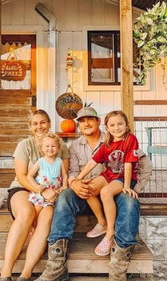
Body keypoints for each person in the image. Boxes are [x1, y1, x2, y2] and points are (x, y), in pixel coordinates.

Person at [36, 107, 151, 281]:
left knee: (130, 201)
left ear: (98, 122)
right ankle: (56, 265)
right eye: (82, 121)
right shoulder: (74, 146)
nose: (86, 123)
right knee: (65, 197)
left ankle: (118, 268)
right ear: (78, 126)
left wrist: (134, 188)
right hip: (88, 192)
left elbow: (143, 163)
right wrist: (75, 184)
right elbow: (73, 172)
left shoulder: (115, 138)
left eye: (90, 119)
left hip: (114, 190)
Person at [0, 110, 70, 281]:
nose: (40, 126)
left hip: (50, 195)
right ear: (30, 127)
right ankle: (6, 272)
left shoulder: (61, 147)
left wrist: (52, 193)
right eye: (35, 123)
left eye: (43, 122)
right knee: (26, 213)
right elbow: (22, 176)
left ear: (49, 123)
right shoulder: (25, 145)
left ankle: (26, 273)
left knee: (46, 217)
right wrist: (40, 190)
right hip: (23, 189)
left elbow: (64, 175)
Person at [74, 110, 139, 256]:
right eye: (112, 125)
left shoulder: (130, 139)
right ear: (107, 127)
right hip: (108, 175)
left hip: (123, 177)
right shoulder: (107, 143)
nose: (117, 128)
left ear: (127, 125)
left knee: (106, 192)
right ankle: (102, 222)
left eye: (120, 124)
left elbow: (128, 164)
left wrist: (127, 186)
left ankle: (110, 234)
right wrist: (78, 178)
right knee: (86, 189)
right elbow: (92, 162)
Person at [27, 133, 68, 209]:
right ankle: (34, 221)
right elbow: (29, 176)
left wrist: (64, 186)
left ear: (58, 148)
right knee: (38, 209)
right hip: (41, 192)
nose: (50, 148)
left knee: (50, 209)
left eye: (53, 146)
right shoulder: (40, 161)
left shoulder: (59, 161)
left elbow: (64, 175)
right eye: (47, 146)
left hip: (53, 193)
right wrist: (37, 186)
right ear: (42, 148)